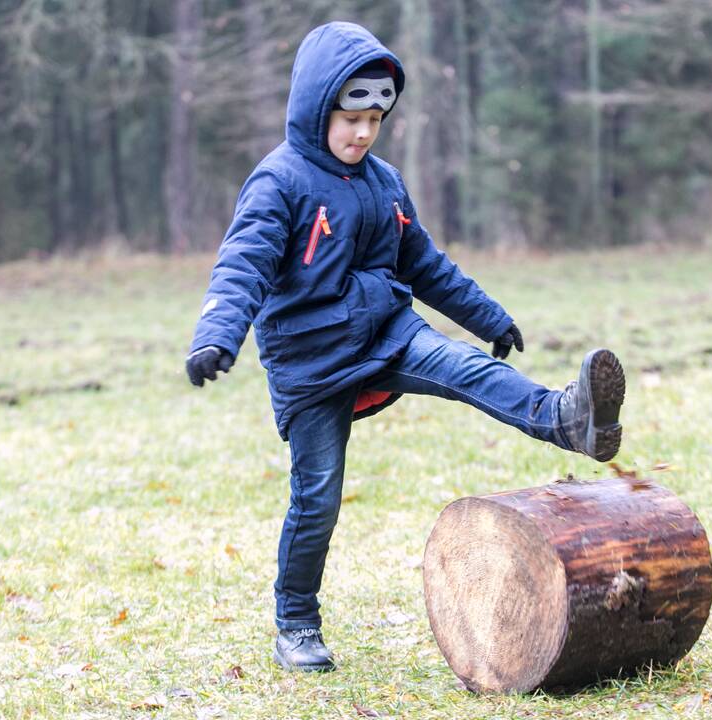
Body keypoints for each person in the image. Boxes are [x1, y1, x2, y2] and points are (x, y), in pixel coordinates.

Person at [185, 21, 625, 673]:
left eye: (374, 120)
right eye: (349, 117)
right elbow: (242, 264)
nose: (362, 133)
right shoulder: (280, 182)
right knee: (317, 495)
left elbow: (426, 264)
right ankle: (296, 623)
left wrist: (490, 318)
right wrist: (217, 336)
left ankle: (569, 419)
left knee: (467, 367)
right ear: (315, 108)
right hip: (312, 365)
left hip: (387, 330)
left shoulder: (383, 182)